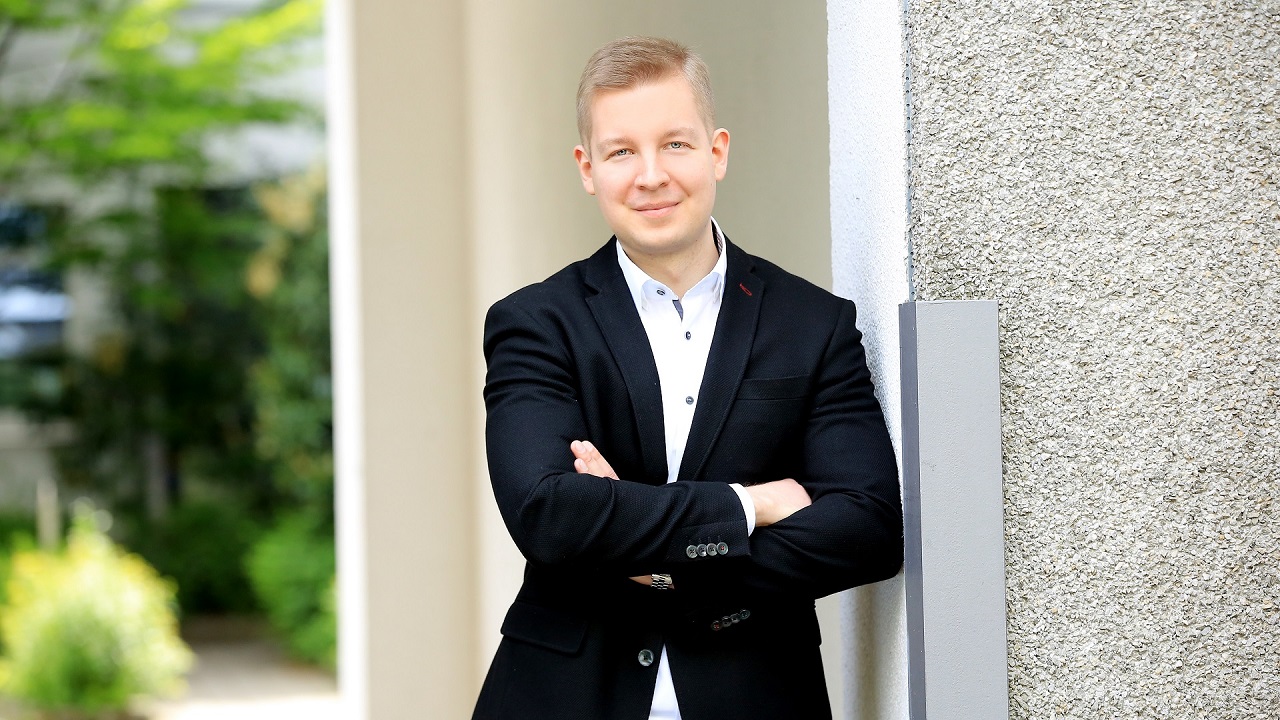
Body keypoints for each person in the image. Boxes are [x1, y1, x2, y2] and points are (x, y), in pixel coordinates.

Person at [473, 36, 902, 720]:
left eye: (675, 144)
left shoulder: (813, 324)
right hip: (566, 696)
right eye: (621, 151)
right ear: (588, 168)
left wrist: (653, 560)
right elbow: (549, 516)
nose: (651, 175)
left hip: (759, 696)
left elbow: (867, 527)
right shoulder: (535, 324)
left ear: (717, 151)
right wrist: (748, 507)